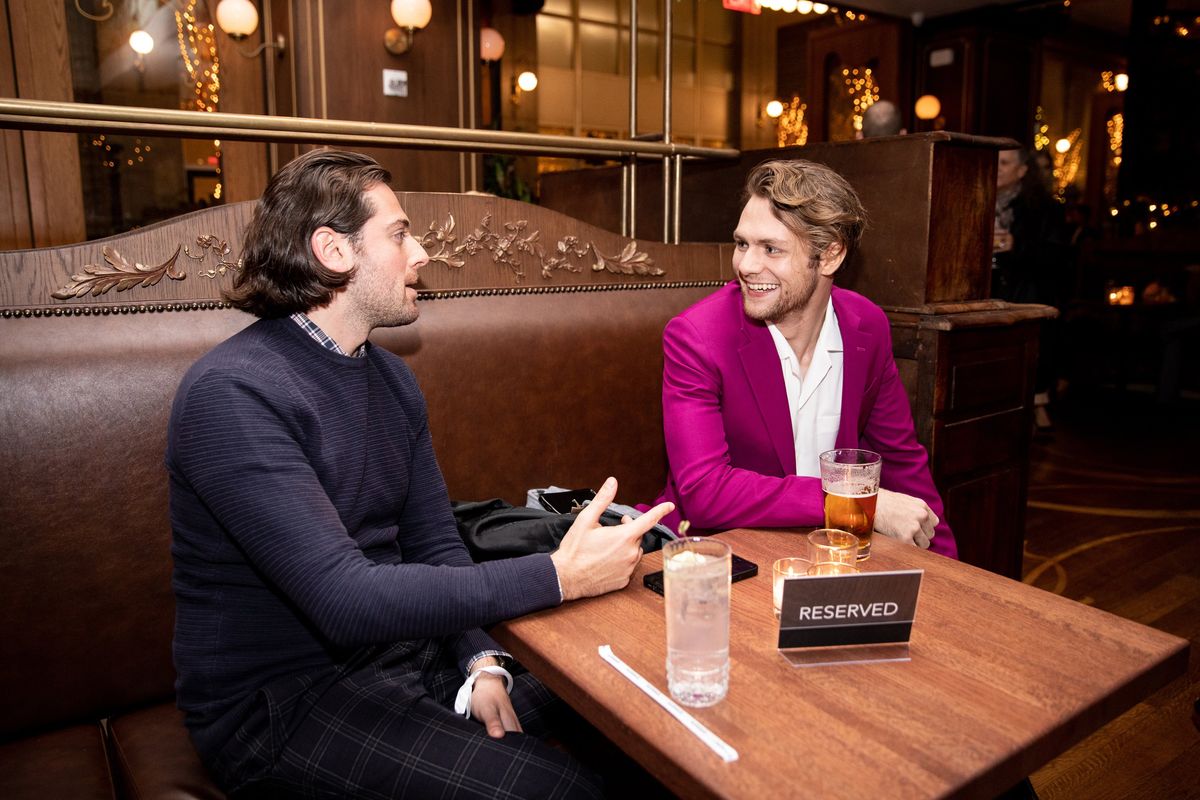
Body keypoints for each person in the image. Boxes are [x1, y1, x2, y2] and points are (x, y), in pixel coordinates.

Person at [166, 148, 674, 799]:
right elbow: (344, 600)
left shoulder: (391, 380)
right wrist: (558, 576)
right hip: (284, 706)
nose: (422, 253)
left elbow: (435, 545)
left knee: (636, 701)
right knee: (552, 790)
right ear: (332, 250)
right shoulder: (233, 395)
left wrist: (479, 659)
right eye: (400, 234)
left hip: (406, 655)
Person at [651, 159, 956, 559]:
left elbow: (901, 461)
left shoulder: (866, 326)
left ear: (829, 256)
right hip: (718, 554)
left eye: (771, 249)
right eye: (742, 243)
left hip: (830, 553)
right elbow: (706, 492)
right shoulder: (697, 336)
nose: (745, 265)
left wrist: (953, 575)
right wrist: (855, 502)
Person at [991, 147, 1068, 429]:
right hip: (989, 292)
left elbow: (1057, 255)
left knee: (1028, 357)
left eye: (1005, 163)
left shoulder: (1044, 208)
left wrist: (1016, 246)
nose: (997, 168)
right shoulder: (977, 197)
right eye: (995, 162)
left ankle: (1034, 411)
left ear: (1023, 170)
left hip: (1027, 293)